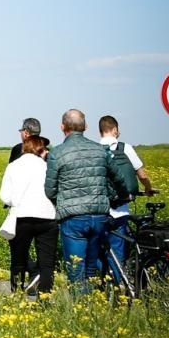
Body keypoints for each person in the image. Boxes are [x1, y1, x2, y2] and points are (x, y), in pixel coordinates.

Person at [44, 109, 119, 290]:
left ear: (62, 127)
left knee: (76, 269)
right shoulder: (100, 150)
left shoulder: (57, 153)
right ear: (86, 126)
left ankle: (80, 303)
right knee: (91, 268)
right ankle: (92, 301)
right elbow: (117, 178)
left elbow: (49, 190)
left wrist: (63, 201)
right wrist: (116, 197)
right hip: (99, 215)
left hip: (73, 217)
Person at [0, 134, 58, 298]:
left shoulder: (13, 166)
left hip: (21, 217)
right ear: (40, 149)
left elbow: (5, 196)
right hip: (47, 216)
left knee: (18, 260)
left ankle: (17, 295)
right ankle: (44, 299)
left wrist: (16, 201)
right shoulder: (47, 167)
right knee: (46, 263)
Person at [98, 114, 155, 278]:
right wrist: (148, 189)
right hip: (121, 210)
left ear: (100, 131)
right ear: (115, 130)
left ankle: (103, 281)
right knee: (118, 249)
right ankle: (119, 282)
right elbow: (142, 175)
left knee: (96, 248)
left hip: (100, 209)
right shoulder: (126, 148)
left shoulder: (94, 149)